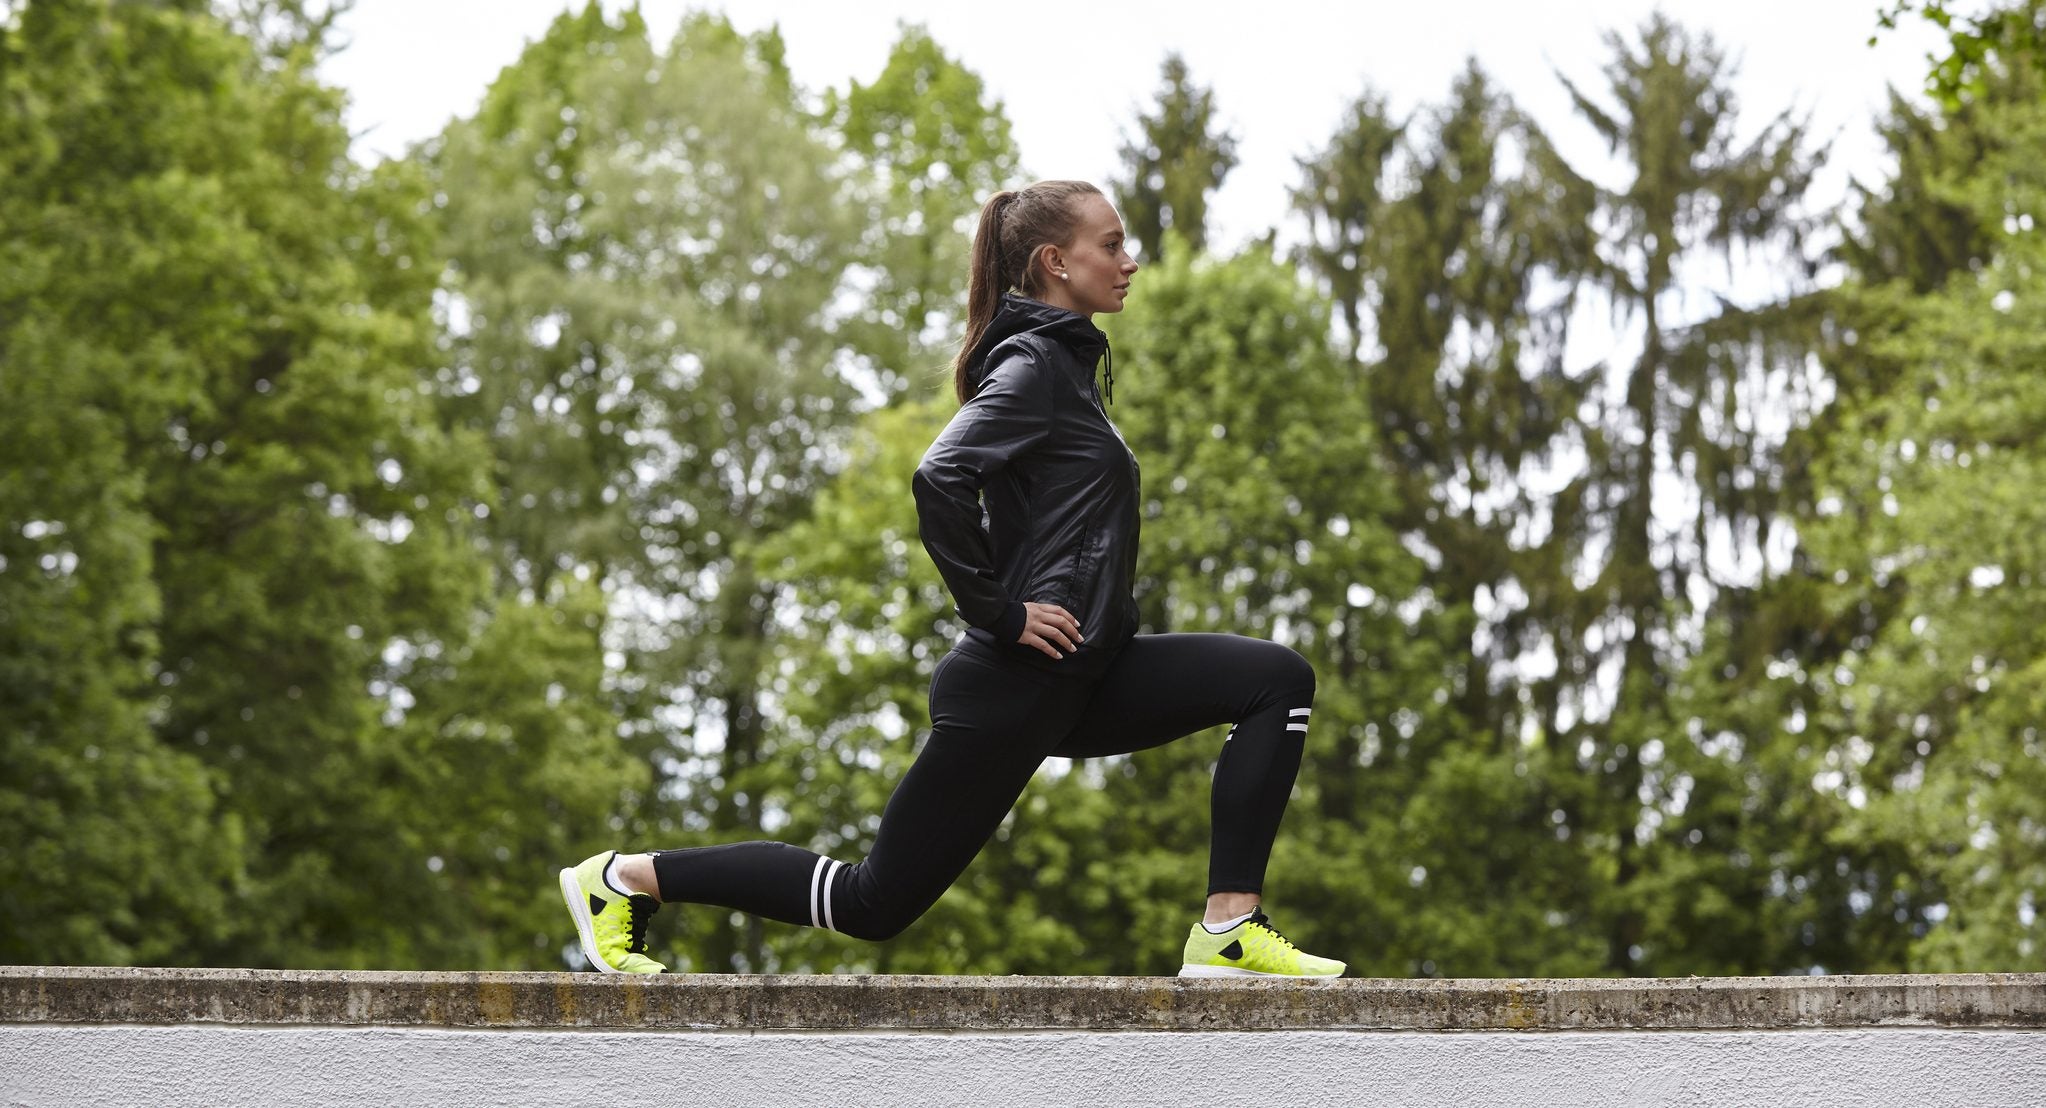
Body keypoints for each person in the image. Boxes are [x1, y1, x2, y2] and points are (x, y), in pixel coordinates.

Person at [559, 179, 1343, 979]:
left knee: (1275, 681)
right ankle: (622, 881)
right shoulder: (1035, 365)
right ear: (1054, 262)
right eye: (1110, 245)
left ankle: (1228, 930)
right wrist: (1001, 615)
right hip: (1020, 676)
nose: (1129, 261)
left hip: (1089, 666)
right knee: (871, 903)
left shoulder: (1066, 369)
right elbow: (940, 476)